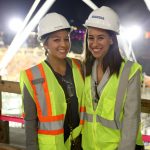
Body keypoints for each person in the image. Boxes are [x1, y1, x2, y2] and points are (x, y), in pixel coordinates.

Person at [81, 6, 144, 150]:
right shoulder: (85, 69)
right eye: (91, 38)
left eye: (101, 38)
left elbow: (131, 118)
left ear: (111, 39)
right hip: (89, 146)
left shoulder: (130, 71)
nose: (94, 44)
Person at [20, 12, 84, 150]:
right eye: (56, 40)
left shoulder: (79, 67)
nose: (63, 44)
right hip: (52, 146)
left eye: (66, 39)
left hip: (79, 143)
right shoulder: (32, 76)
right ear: (45, 44)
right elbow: (30, 121)